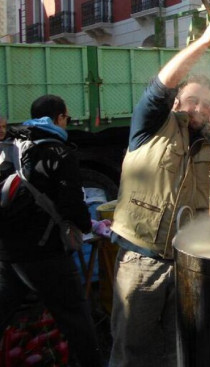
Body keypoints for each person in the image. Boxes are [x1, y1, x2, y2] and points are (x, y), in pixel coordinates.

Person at [108, 9, 210, 367]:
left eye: (206, 102)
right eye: (192, 100)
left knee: (175, 351)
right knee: (130, 351)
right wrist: (205, 41)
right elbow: (162, 84)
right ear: (178, 103)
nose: (199, 108)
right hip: (142, 261)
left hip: (187, 263)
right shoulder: (151, 125)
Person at [0, 95, 101, 367]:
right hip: (46, 252)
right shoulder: (60, 151)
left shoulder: (14, 142)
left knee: (5, 307)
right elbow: (72, 206)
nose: (66, 123)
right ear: (58, 118)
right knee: (76, 316)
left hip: (9, 250)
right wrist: (91, 227)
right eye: (66, 118)